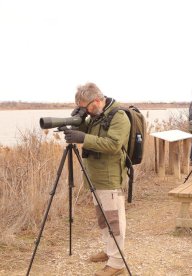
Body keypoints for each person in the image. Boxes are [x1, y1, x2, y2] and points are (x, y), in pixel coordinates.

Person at [63, 82, 129, 276]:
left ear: (98, 100)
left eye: (88, 107)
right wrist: (79, 118)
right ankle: (110, 252)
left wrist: (83, 138)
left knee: (114, 220)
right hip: (95, 176)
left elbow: (113, 145)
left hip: (109, 177)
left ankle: (117, 263)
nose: (88, 112)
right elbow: (90, 132)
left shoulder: (119, 116)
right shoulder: (96, 115)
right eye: (84, 108)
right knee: (103, 219)